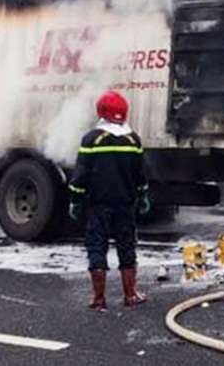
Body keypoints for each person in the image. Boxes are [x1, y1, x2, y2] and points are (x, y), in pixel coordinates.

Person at [68, 90, 152, 311]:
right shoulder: (133, 140)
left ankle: (98, 298)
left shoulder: (91, 140)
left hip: (97, 205)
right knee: (127, 247)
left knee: (97, 247)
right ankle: (130, 294)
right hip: (125, 205)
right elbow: (140, 175)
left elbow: (81, 175)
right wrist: (143, 196)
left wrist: (75, 199)